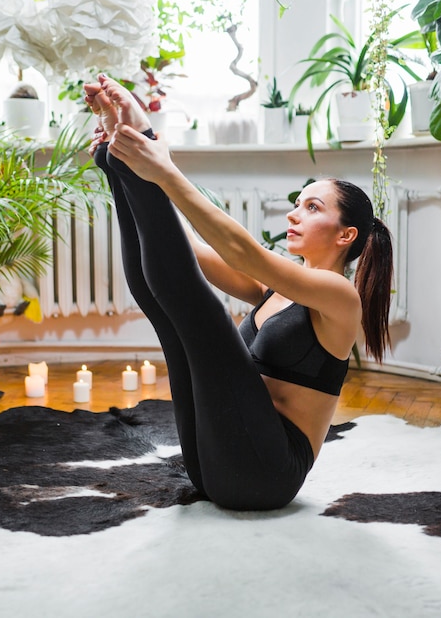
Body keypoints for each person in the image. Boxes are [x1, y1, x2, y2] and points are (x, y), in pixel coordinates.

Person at [83, 75, 393, 511]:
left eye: (312, 207)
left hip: (265, 475)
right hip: (216, 460)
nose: (294, 213)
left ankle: (137, 143)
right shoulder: (275, 289)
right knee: (162, 301)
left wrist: (162, 167)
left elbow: (241, 251)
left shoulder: (339, 297)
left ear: (346, 235)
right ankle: (117, 158)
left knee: (202, 318)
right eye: (297, 203)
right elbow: (179, 250)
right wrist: (125, 167)